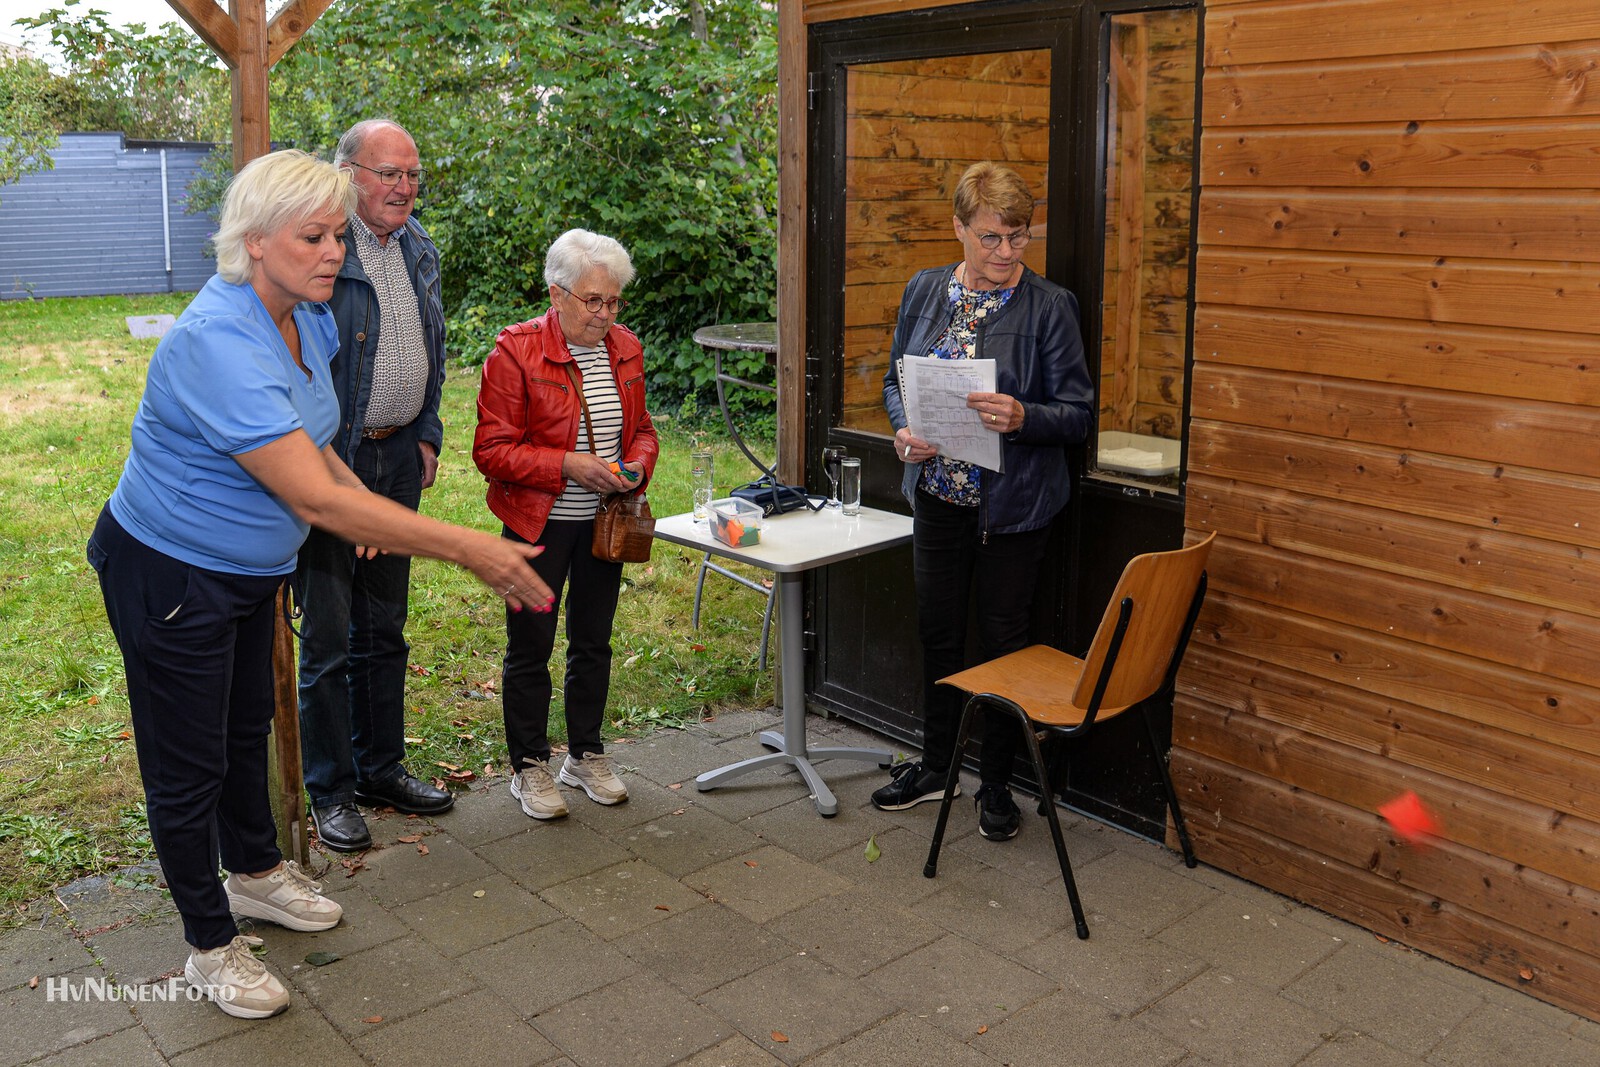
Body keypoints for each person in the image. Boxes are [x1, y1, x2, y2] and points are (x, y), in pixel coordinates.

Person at [86, 150, 555, 1019]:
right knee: (186, 763)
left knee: (243, 730)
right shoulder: (217, 340)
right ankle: (207, 940)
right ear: (254, 242)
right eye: (314, 235)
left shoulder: (311, 318)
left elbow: (321, 450)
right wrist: (466, 546)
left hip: (245, 572)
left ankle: (257, 873)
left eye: (339, 232)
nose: (335, 250)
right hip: (171, 572)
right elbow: (308, 492)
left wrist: (364, 508)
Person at [874, 162, 1092, 841]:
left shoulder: (1050, 306)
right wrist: (903, 430)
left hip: (1014, 510)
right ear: (959, 229)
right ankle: (937, 765)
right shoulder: (924, 291)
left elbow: (1078, 415)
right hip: (938, 497)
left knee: (1002, 646)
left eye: (1019, 238)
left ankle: (996, 783)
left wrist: (1022, 415)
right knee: (938, 634)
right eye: (992, 238)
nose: (1006, 253)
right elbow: (893, 381)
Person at [295, 119, 450, 854]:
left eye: (413, 175)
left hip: (397, 462)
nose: (405, 188)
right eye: (390, 174)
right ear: (349, 173)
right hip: (336, 462)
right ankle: (329, 789)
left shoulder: (418, 248)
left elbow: (435, 345)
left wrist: (426, 431)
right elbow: (302, 373)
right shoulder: (323, 253)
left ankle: (380, 768)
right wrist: (337, 468)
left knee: (384, 626)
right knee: (327, 634)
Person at [473, 229, 659, 820]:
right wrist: (565, 464)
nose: (605, 314)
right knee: (531, 647)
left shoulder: (626, 348)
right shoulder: (515, 351)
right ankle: (529, 766)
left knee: (593, 641)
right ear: (557, 296)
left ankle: (585, 755)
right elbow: (491, 450)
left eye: (614, 301)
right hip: (538, 523)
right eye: (593, 301)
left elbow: (645, 432)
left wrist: (636, 468)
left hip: (603, 526)